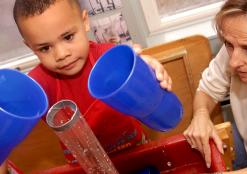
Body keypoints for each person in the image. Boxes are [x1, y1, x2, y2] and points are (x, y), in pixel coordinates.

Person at [12, 0, 172, 166]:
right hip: (87, 167)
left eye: (68, 37)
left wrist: (148, 71)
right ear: (30, 47)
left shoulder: (109, 57)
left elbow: (141, 74)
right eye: (45, 48)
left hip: (136, 153)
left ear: (85, 22)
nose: (61, 54)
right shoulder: (36, 86)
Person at [184, 0, 247, 173]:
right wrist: (201, 115)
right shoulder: (238, 44)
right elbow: (207, 90)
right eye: (229, 45)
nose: (233, 62)